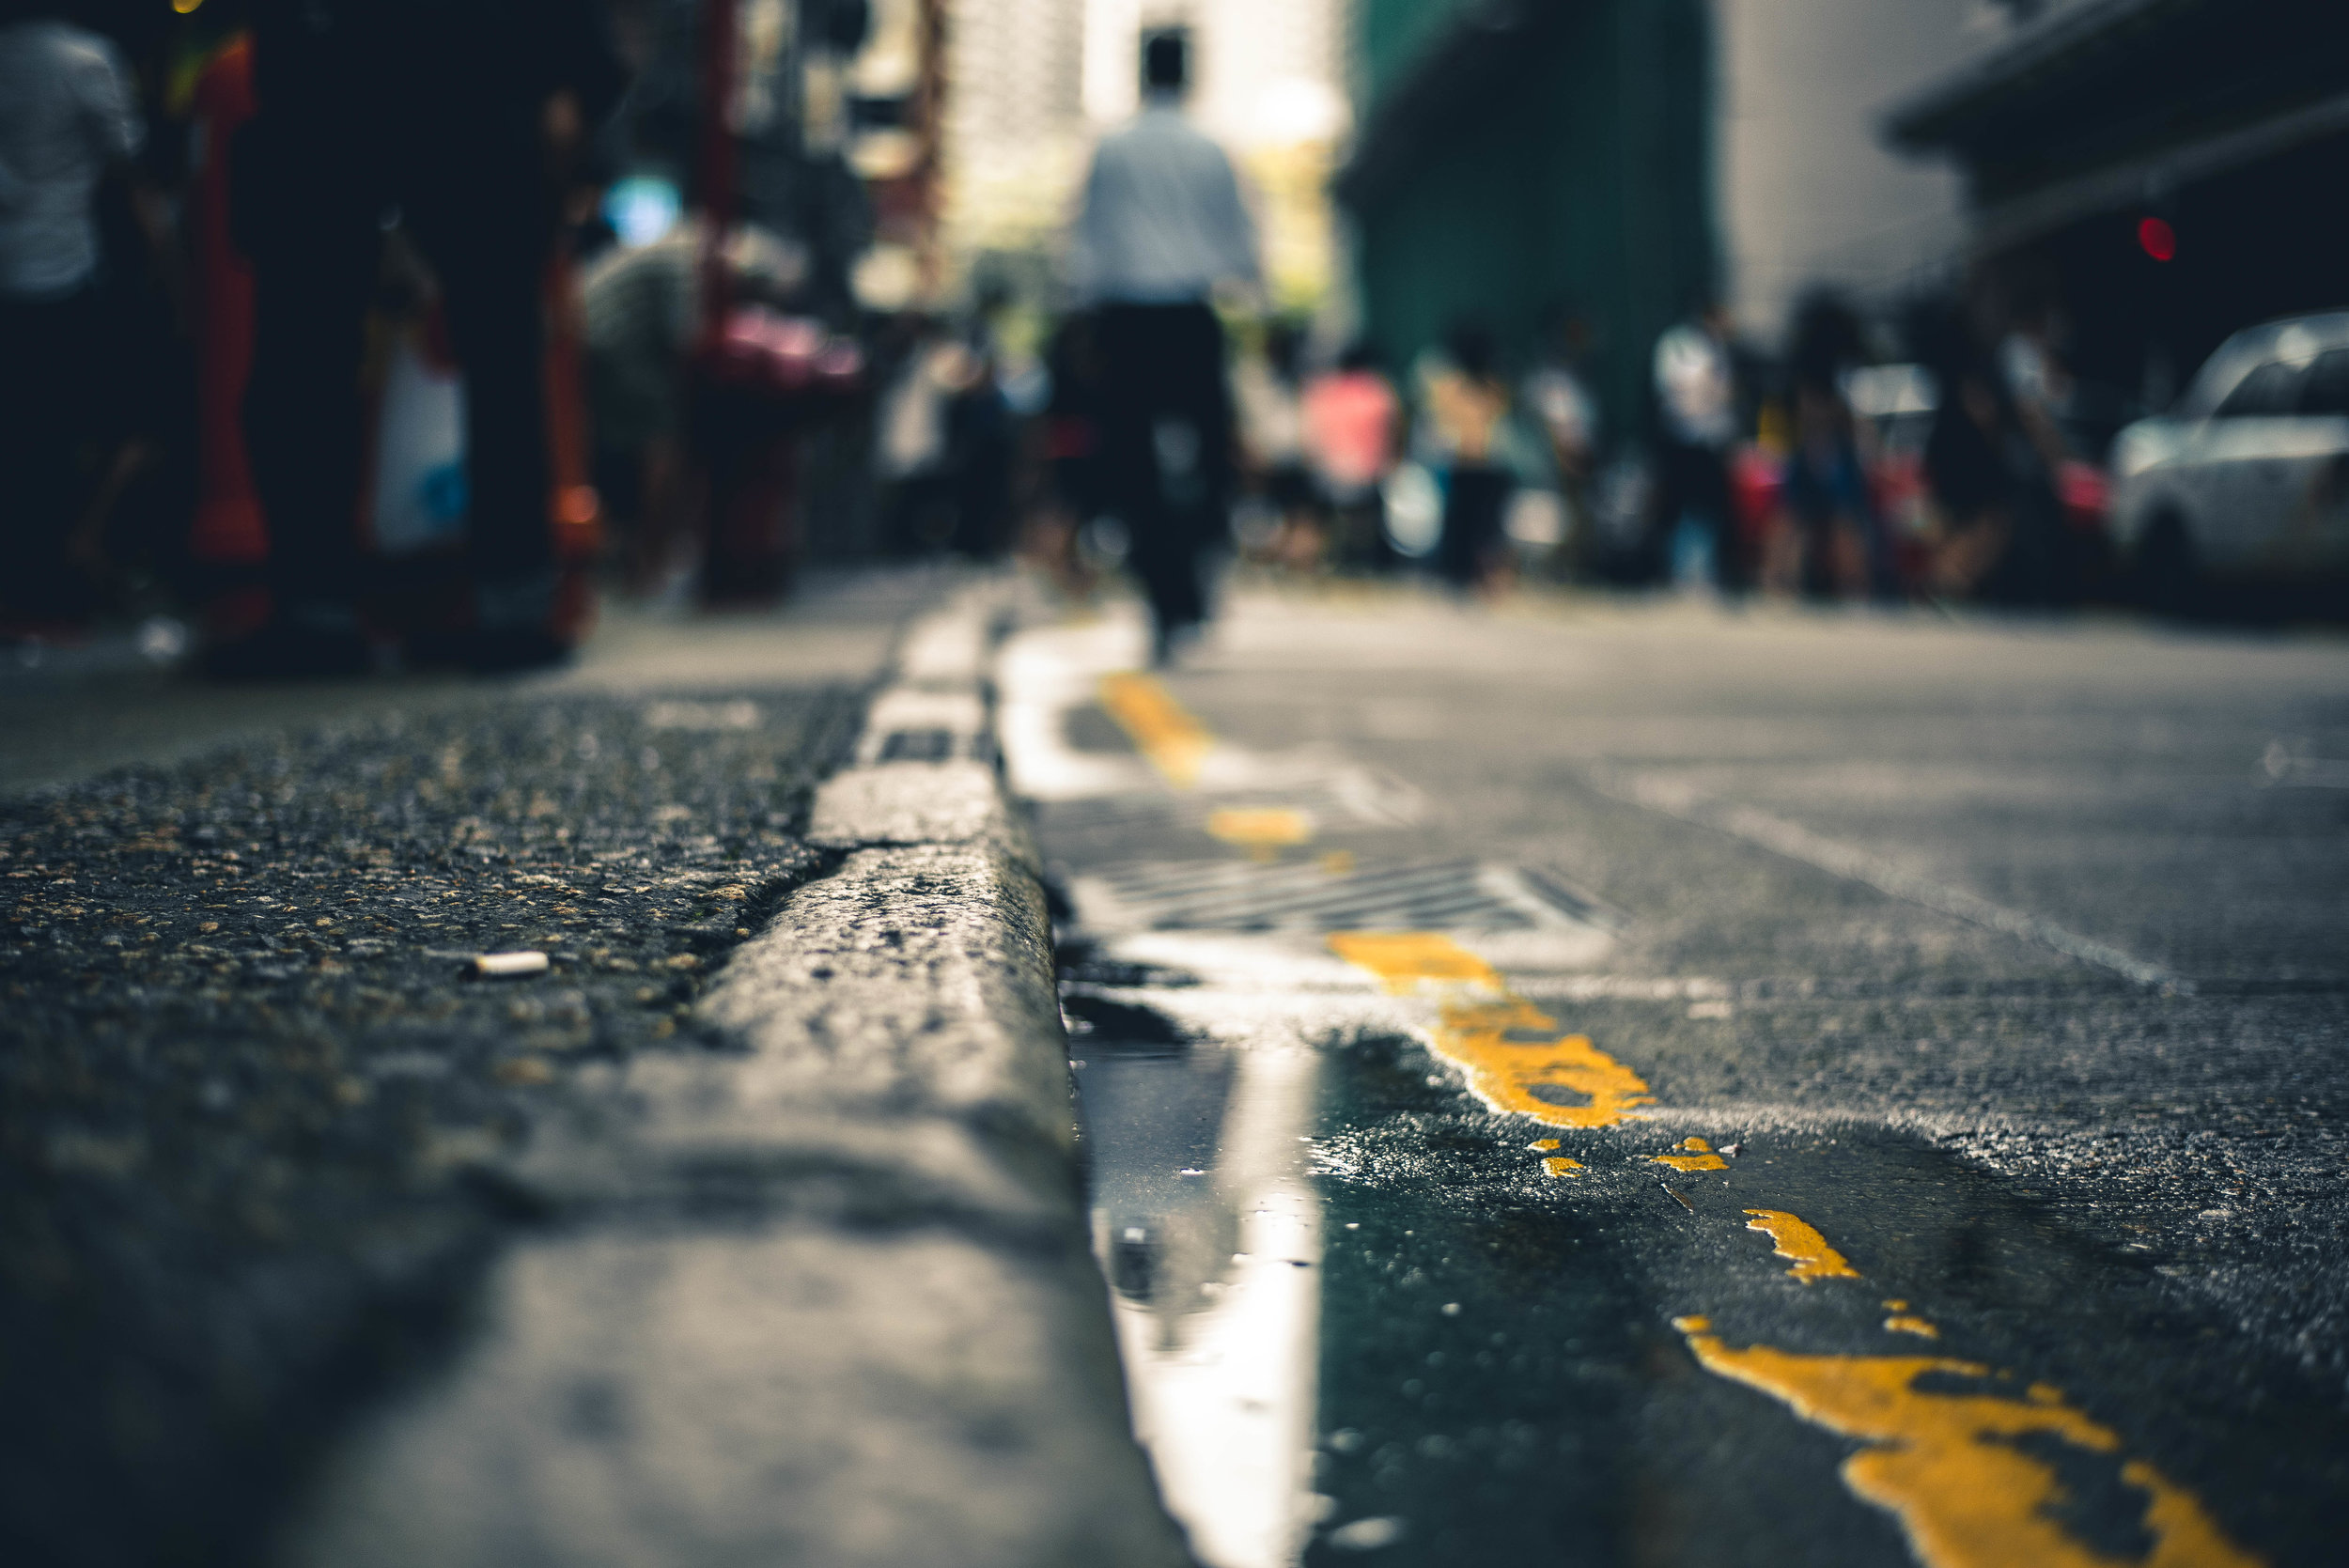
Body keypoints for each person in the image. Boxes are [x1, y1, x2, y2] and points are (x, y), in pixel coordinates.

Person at [221, 0, 624, 675]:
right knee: (467, 347)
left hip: (391, 61)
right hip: (429, 64)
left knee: (324, 341)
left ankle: (334, 604)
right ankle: (491, 603)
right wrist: (574, 77)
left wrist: (570, 80)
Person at [1068, 27, 1259, 665]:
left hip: (1126, 322)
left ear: (1141, 72)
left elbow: (1084, 243)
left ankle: (1162, 600)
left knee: (1132, 467)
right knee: (1212, 461)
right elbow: (1242, 243)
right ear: (1189, 73)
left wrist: (1081, 320)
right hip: (1192, 316)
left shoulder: (1112, 149)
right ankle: (1198, 587)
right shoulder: (1211, 149)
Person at [0, 3, 149, 636]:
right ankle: (74, 562)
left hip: (10, 270)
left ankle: (34, 588)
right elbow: (127, 162)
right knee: (98, 428)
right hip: (68, 265)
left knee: (23, 437)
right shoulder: (84, 60)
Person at [1651, 300, 1743, 591]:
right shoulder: (1676, 345)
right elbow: (1675, 393)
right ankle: (1678, 574)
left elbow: (1725, 395)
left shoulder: (1720, 350)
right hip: (1681, 439)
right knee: (1679, 507)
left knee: (1710, 509)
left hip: (1712, 442)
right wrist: (1704, 396)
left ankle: (1703, 573)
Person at [1415, 320, 1514, 591]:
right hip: (1464, 466)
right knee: (1462, 526)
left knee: (1479, 528)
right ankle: (1458, 573)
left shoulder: (1484, 386)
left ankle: (1476, 575)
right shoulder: (1459, 385)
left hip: (1483, 467)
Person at [1301, 341, 1399, 571]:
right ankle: (1365, 562)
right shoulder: (1377, 392)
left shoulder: (1323, 391)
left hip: (1327, 474)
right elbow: (1390, 436)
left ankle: (1331, 559)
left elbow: (1312, 438)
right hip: (1366, 476)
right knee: (1366, 523)